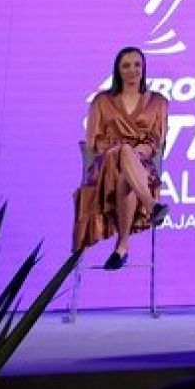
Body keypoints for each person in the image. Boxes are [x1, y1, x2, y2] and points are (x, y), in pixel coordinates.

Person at [74, 47, 170, 269]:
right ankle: (151, 206)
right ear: (117, 70)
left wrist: (140, 152)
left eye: (137, 64)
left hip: (141, 167)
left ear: (143, 68)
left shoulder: (158, 102)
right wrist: (120, 149)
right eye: (126, 65)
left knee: (128, 174)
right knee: (124, 152)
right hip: (106, 165)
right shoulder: (102, 101)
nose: (132, 70)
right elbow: (94, 141)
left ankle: (122, 247)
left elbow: (156, 139)